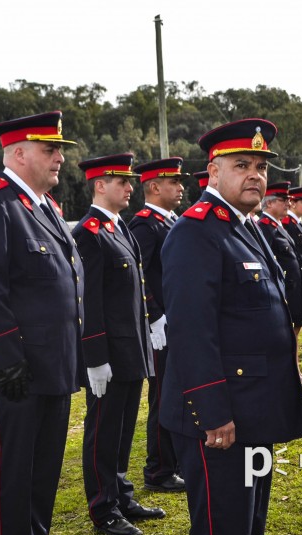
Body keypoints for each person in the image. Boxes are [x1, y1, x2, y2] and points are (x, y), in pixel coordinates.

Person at [161, 118, 302, 535]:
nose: (255, 175)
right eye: (242, 164)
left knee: (250, 525)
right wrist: (213, 414)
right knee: (222, 534)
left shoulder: (244, 225)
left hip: (255, 411)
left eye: (261, 166)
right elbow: (191, 331)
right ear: (212, 171)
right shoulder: (196, 231)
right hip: (220, 421)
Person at [0, 111, 83, 535]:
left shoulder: (43, 206)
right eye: (51, 151)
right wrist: (5, 360)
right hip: (15, 372)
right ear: (20, 153)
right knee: (14, 471)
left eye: (58, 152)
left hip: (52, 367)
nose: (59, 160)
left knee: (44, 469)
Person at [72, 153, 164, 535]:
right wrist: (95, 356)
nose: (130, 187)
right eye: (122, 181)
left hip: (131, 348)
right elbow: (87, 300)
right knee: (104, 431)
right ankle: (103, 508)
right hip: (108, 353)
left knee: (124, 428)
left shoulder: (119, 227)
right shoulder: (89, 233)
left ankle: (122, 495)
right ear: (99, 185)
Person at [129, 157, 188, 493]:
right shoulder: (144, 225)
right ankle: (160, 470)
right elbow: (138, 276)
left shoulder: (171, 221)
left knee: (178, 394)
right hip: (161, 328)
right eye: (173, 182)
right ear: (153, 186)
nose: (180, 188)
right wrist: (154, 315)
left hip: (177, 322)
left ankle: (175, 463)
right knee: (163, 397)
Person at [258, 182, 302, 386]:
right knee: (286, 336)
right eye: (283, 200)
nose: (288, 203)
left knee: (294, 335)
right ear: (270, 203)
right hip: (282, 291)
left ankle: (295, 372)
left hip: (292, 288)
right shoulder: (264, 226)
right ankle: (291, 374)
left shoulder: (277, 226)